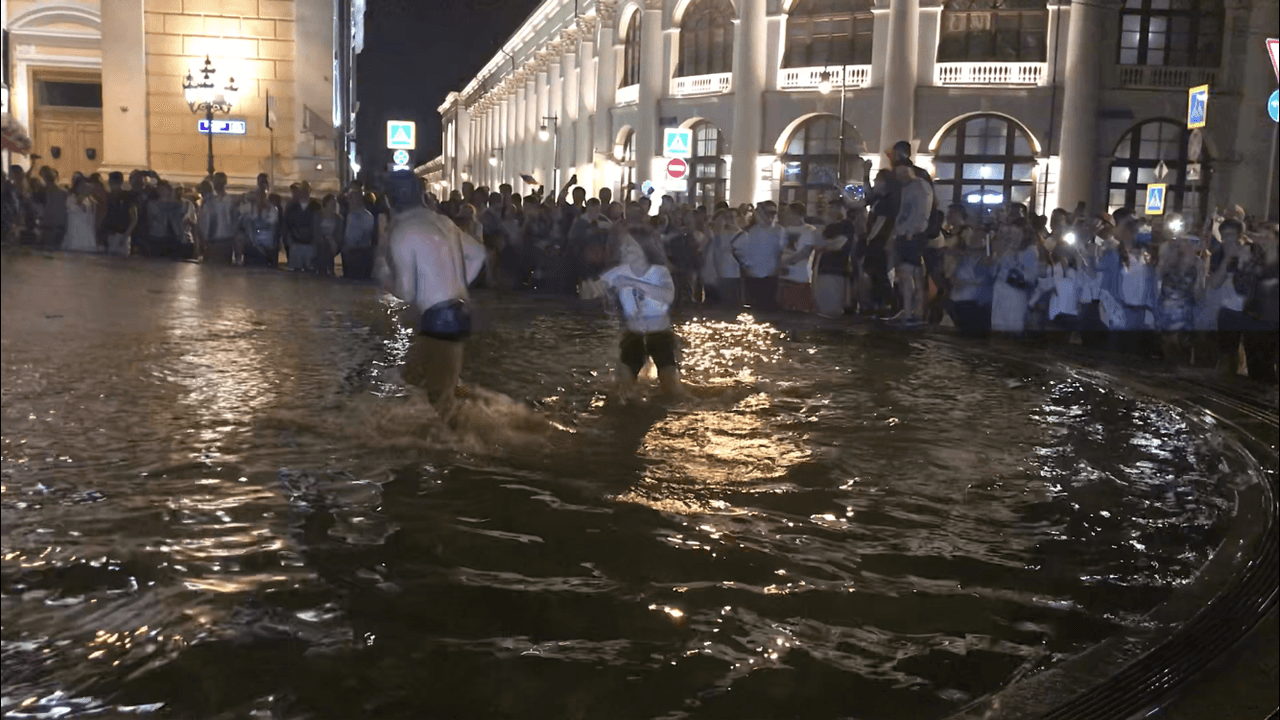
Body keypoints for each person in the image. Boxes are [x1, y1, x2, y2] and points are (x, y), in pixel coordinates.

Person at [380, 171, 488, 414]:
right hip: (462, 311)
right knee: (416, 373)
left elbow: (407, 293)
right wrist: (457, 282)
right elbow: (479, 254)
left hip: (439, 319)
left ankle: (466, 437)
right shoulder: (443, 221)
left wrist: (389, 281)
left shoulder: (401, 233)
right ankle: (466, 396)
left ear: (389, 201)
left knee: (437, 399)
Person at [600, 224, 683, 401]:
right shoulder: (619, 272)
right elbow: (599, 286)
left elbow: (667, 297)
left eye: (628, 246)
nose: (623, 249)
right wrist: (599, 292)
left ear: (643, 250)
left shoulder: (659, 272)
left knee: (672, 391)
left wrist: (635, 284)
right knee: (622, 391)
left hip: (659, 335)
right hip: (633, 334)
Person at [733, 201, 786, 311]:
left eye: (773, 213)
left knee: (768, 309)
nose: (770, 216)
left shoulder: (779, 230)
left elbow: (780, 252)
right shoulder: (750, 231)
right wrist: (746, 266)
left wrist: (776, 269)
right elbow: (739, 250)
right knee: (753, 309)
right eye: (767, 212)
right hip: (752, 276)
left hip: (770, 276)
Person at [283, 182, 320, 271]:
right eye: (302, 190)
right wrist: (287, 240)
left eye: (306, 190)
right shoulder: (292, 207)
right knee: (296, 271)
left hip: (310, 243)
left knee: (310, 270)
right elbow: (287, 224)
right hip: (295, 243)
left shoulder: (315, 206)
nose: (304, 192)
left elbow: (318, 224)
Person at [341, 188, 377, 279]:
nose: (349, 202)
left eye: (351, 199)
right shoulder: (350, 215)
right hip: (349, 251)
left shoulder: (366, 216)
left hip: (360, 252)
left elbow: (363, 237)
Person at [100, 172, 136, 257]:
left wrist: (127, 233)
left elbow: (134, 216)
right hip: (111, 233)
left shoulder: (127, 196)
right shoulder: (109, 197)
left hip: (123, 233)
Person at [62, 176, 99, 253]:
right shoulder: (71, 198)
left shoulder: (90, 199)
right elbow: (75, 209)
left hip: (87, 235)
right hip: (75, 235)